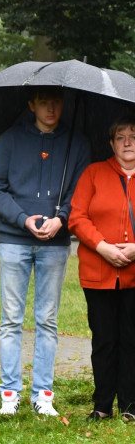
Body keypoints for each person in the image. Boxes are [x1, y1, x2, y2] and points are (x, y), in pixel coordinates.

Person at [0, 86, 89, 416]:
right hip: (15, 241)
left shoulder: (78, 143)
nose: (51, 108)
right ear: (31, 105)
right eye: (44, 102)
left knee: (47, 320)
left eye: (56, 102)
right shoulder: (10, 139)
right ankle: (9, 393)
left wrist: (62, 220)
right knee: (11, 320)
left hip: (55, 245)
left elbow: (81, 193)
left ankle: (43, 394)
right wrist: (22, 218)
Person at [68, 113, 135, 421]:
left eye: (134, 136)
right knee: (104, 339)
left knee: (131, 339)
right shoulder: (93, 173)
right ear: (111, 143)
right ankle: (102, 405)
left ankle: (131, 406)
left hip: (134, 276)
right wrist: (103, 247)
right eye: (121, 137)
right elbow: (77, 218)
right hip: (98, 273)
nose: (128, 142)